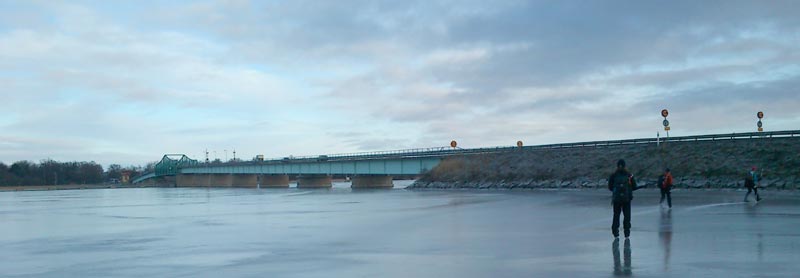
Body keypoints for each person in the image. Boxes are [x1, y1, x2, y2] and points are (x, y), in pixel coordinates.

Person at [608, 159, 645, 238]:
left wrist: (616, 192)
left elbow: (610, 187)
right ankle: (627, 233)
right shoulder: (629, 175)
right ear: (625, 166)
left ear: (617, 166)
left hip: (616, 199)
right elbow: (634, 186)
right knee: (627, 216)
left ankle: (615, 232)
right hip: (626, 199)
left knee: (616, 215)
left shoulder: (613, 175)